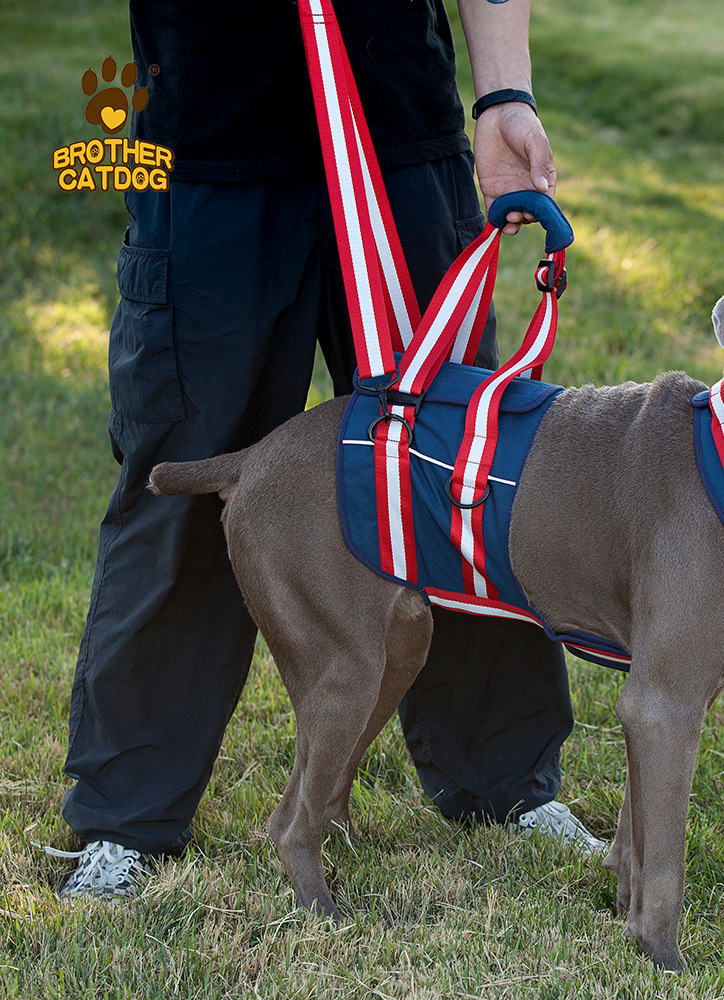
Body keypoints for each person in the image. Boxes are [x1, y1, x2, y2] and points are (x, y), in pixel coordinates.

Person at [52, 0, 604, 900]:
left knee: (451, 474)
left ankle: (504, 780)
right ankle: (126, 817)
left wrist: (505, 92)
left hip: (400, 134)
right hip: (209, 144)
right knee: (191, 475)